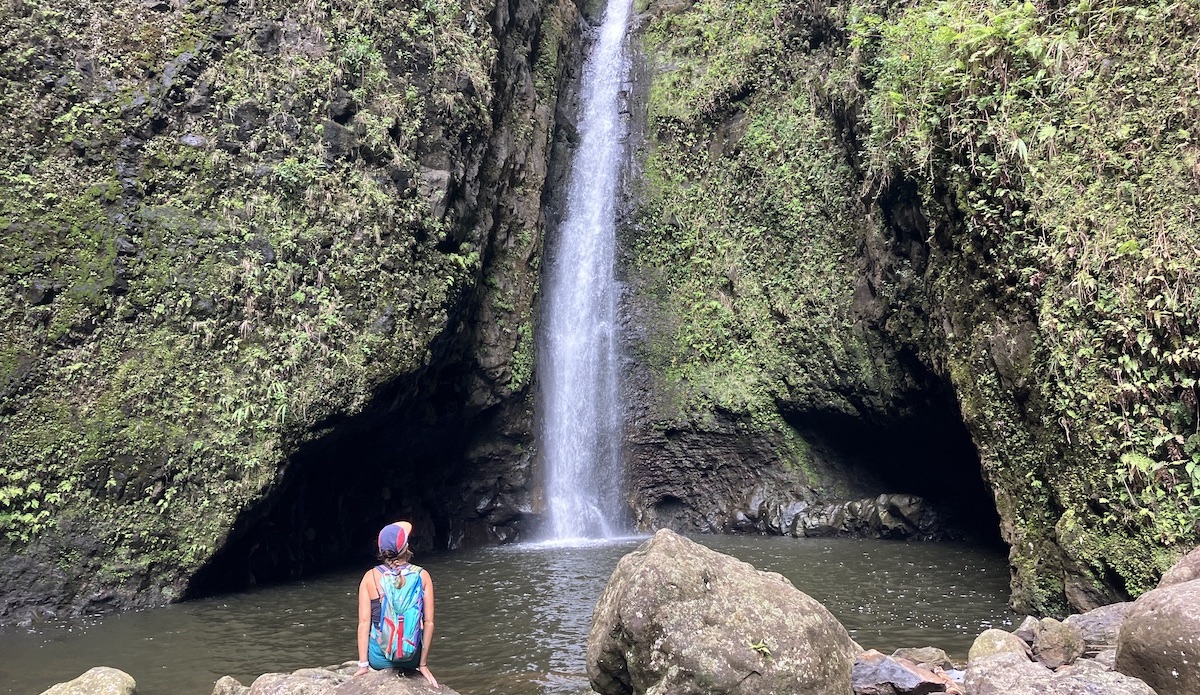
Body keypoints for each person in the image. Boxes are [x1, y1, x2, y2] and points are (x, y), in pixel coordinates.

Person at [355, 521, 438, 688]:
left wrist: (363, 665)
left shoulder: (369, 577)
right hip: (411, 658)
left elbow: (364, 624)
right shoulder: (422, 576)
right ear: (406, 547)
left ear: (382, 552)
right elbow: (429, 623)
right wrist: (422, 665)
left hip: (378, 659)